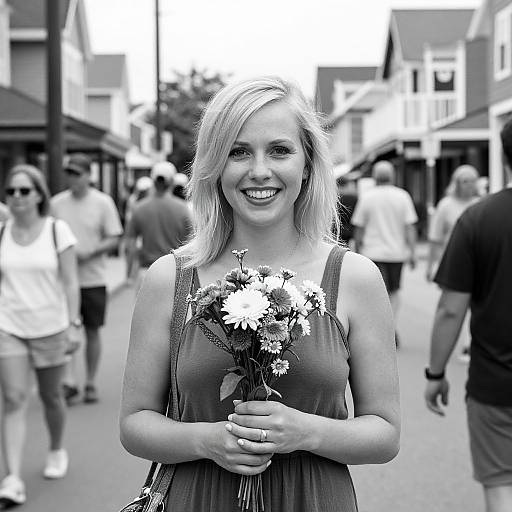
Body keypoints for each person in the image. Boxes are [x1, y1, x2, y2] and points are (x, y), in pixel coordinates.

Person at [120, 77, 400, 511]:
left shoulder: (355, 278)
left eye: (280, 150)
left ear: (307, 164)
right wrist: (207, 440)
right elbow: (135, 424)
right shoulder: (169, 279)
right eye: (238, 151)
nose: (259, 171)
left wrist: (306, 431)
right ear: (215, 166)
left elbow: (384, 434)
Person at [424, 117, 512, 512]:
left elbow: (449, 310)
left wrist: (436, 373)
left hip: (497, 385)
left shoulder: (479, 220)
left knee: (501, 488)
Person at [0, 165, 80, 506]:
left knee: (51, 397)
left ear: (38, 194)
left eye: (24, 190)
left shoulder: (56, 231)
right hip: (9, 326)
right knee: (15, 398)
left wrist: (73, 323)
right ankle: (12, 477)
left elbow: (70, 281)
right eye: (11, 191)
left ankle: (56, 448)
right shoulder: (2, 231)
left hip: (50, 326)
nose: (17, 197)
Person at [51, 153, 123, 405]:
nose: (72, 178)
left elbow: (114, 236)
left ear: (88, 175)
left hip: (93, 278)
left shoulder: (102, 203)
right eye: (68, 173)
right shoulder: (56, 203)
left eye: (76, 173)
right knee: (64, 329)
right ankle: (68, 380)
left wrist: (90, 251)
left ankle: (90, 380)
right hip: (62, 280)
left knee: (92, 331)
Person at [351, 160, 417, 345]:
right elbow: (410, 226)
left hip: (372, 253)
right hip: (396, 253)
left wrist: (356, 250)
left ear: (374, 177)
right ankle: (391, 325)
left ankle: (381, 329)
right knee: (394, 292)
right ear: (392, 176)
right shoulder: (403, 196)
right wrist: (412, 252)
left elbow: (359, 228)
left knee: (376, 293)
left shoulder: (368, 197)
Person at [425, 164, 480, 363]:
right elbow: (435, 237)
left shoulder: (480, 203)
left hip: (479, 262)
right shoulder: (446, 205)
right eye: (465, 181)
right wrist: (431, 265)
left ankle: (470, 343)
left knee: (476, 304)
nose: (469, 185)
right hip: (453, 263)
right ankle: (461, 343)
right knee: (455, 306)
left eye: (473, 180)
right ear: (456, 183)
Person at [125, 162, 192, 291]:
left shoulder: (139, 208)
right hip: (174, 271)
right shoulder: (182, 209)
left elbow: (130, 246)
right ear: (172, 181)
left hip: (147, 271)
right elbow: (190, 244)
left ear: (153, 181)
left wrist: (128, 275)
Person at [336, 175, 358, 246]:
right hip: (349, 230)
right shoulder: (353, 198)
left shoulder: (333, 198)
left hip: (336, 230)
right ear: (347, 184)